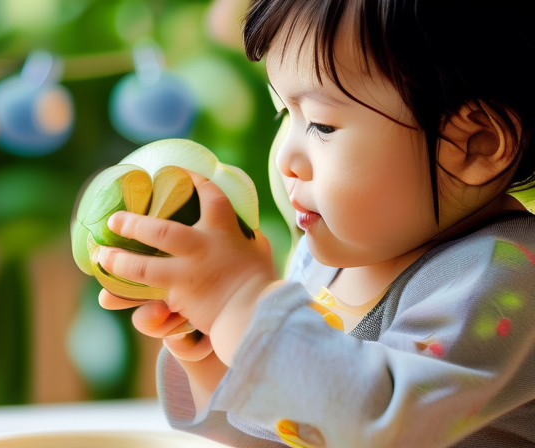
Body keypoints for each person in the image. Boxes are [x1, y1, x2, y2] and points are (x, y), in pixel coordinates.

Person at [93, 0, 535, 446]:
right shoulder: (327, 258)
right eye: (285, 114)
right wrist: (216, 351)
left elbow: (382, 425)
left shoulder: (503, 277)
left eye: (321, 125)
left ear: (473, 145)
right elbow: (297, 433)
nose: (286, 156)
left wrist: (242, 305)